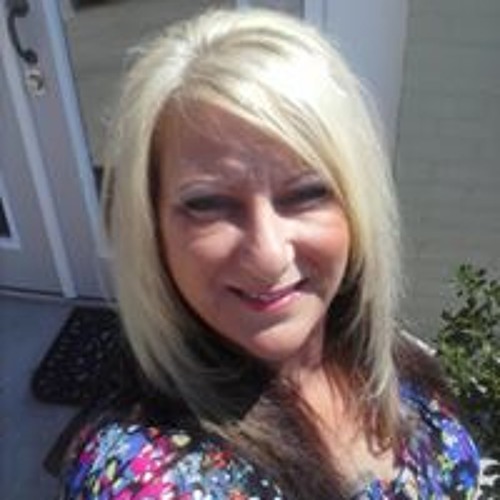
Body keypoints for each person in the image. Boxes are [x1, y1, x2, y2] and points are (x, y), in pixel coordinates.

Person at [60, 7, 480, 499]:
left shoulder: (376, 351)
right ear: (152, 228)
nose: (268, 256)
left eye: (307, 194)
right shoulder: (152, 478)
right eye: (208, 204)